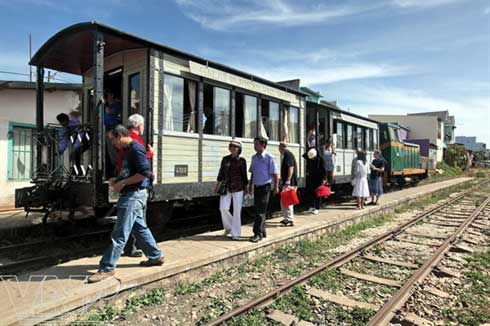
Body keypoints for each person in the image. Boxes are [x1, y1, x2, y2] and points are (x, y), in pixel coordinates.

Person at [88, 125, 164, 283]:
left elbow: (144, 173)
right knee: (139, 228)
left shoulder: (135, 149)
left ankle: (107, 268)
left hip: (133, 195)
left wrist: (122, 184)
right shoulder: (128, 150)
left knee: (120, 233)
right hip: (133, 194)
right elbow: (131, 171)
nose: (113, 144)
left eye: (112, 140)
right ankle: (155, 256)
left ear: (119, 136)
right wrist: (117, 180)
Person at [115, 114, 154, 257]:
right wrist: (150, 153)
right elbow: (141, 165)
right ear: (139, 125)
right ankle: (133, 248)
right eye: (143, 125)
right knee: (137, 221)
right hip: (135, 184)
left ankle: (153, 254)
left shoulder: (127, 138)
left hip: (126, 179)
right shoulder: (135, 140)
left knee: (136, 221)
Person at [248, 136, 279, 243]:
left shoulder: (269, 157)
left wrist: (276, 187)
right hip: (257, 187)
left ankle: (257, 233)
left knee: (260, 210)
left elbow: (275, 174)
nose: (255, 146)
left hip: (265, 187)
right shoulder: (254, 158)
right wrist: (250, 185)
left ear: (263, 145)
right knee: (259, 209)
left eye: (256, 144)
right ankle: (263, 231)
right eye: (254, 144)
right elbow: (252, 172)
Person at [215, 139, 248, 240]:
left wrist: (246, 188)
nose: (233, 148)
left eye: (235, 147)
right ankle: (229, 226)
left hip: (238, 187)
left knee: (237, 211)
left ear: (239, 149)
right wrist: (217, 185)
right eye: (231, 146)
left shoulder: (242, 161)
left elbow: (244, 176)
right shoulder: (225, 159)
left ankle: (236, 234)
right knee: (223, 208)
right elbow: (221, 173)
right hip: (226, 187)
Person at [303, 148, 327, 215]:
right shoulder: (310, 159)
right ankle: (312, 206)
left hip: (319, 178)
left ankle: (317, 208)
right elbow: (304, 155)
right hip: (312, 178)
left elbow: (324, 170)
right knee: (311, 192)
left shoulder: (321, 160)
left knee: (318, 194)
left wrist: (324, 179)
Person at [278, 142, 298, 226]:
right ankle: (287, 218)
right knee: (284, 201)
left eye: (279, 148)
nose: (279, 150)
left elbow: (291, 167)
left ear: (282, 148)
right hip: (287, 182)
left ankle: (289, 219)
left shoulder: (288, 155)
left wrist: (288, 179)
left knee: (287, 201)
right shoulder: (288, 154)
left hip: (289, 183)